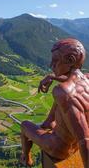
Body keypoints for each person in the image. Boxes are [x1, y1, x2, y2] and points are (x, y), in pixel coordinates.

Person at [20, 38, 89, 168]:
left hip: (59, 149)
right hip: (73, 146)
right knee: (63, 92)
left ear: (70, 60)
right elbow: (73, 78)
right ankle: (50, 122)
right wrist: (53, 76)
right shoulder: (86, 79)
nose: (51, 65)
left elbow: (84, 139)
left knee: (24, 126)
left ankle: (26, 158)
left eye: (56, 60)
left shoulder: (63, 91)